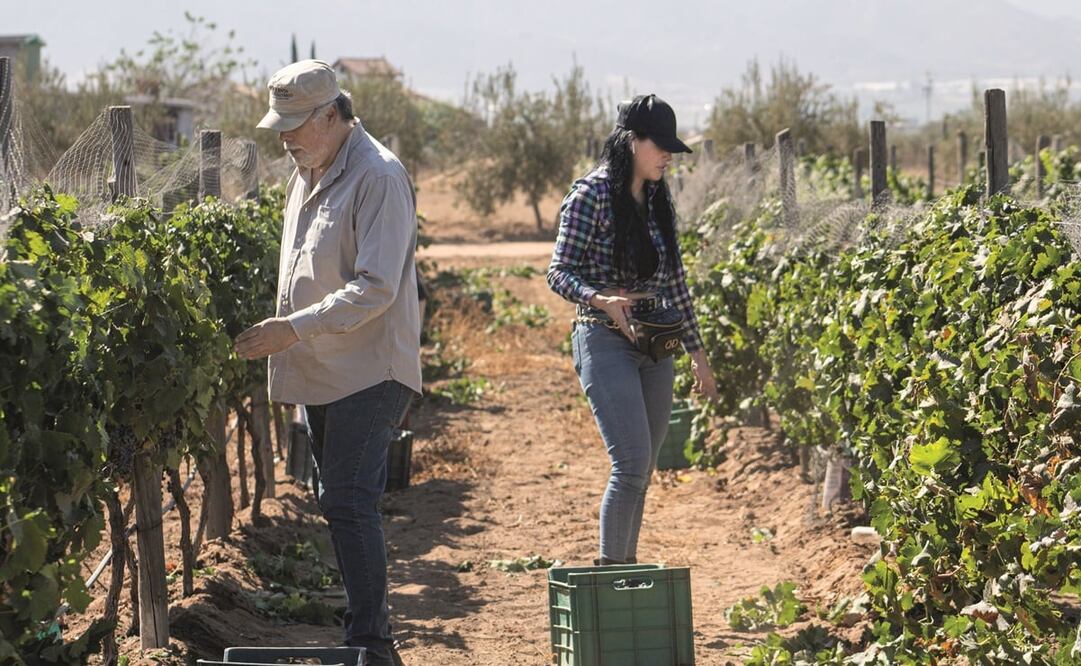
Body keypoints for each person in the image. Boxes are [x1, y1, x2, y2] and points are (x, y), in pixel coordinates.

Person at [235, 59, 421, 666]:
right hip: (323, 370)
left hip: (370, 369)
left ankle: (372, 644)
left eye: (294, 125)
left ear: (332, 115)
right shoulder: (307, 173)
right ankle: (368, 635)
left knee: (347, 500)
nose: (284, 138)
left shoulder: (378, 176)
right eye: (280, 126)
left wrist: (291, 329)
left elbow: (375, 288)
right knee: (336, 498)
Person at [547, 94, 719, 566]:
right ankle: (611, 573)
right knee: (629, 464)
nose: (667, 155)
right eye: (659, 145)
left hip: (655, 344)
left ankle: (621, 569)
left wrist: (697, 355)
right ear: (630, 142)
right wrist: (598, 297)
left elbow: (676, 284)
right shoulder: (591, 196)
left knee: (643, 467)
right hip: (604, 339)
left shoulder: (658, 199)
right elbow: (558, 272)